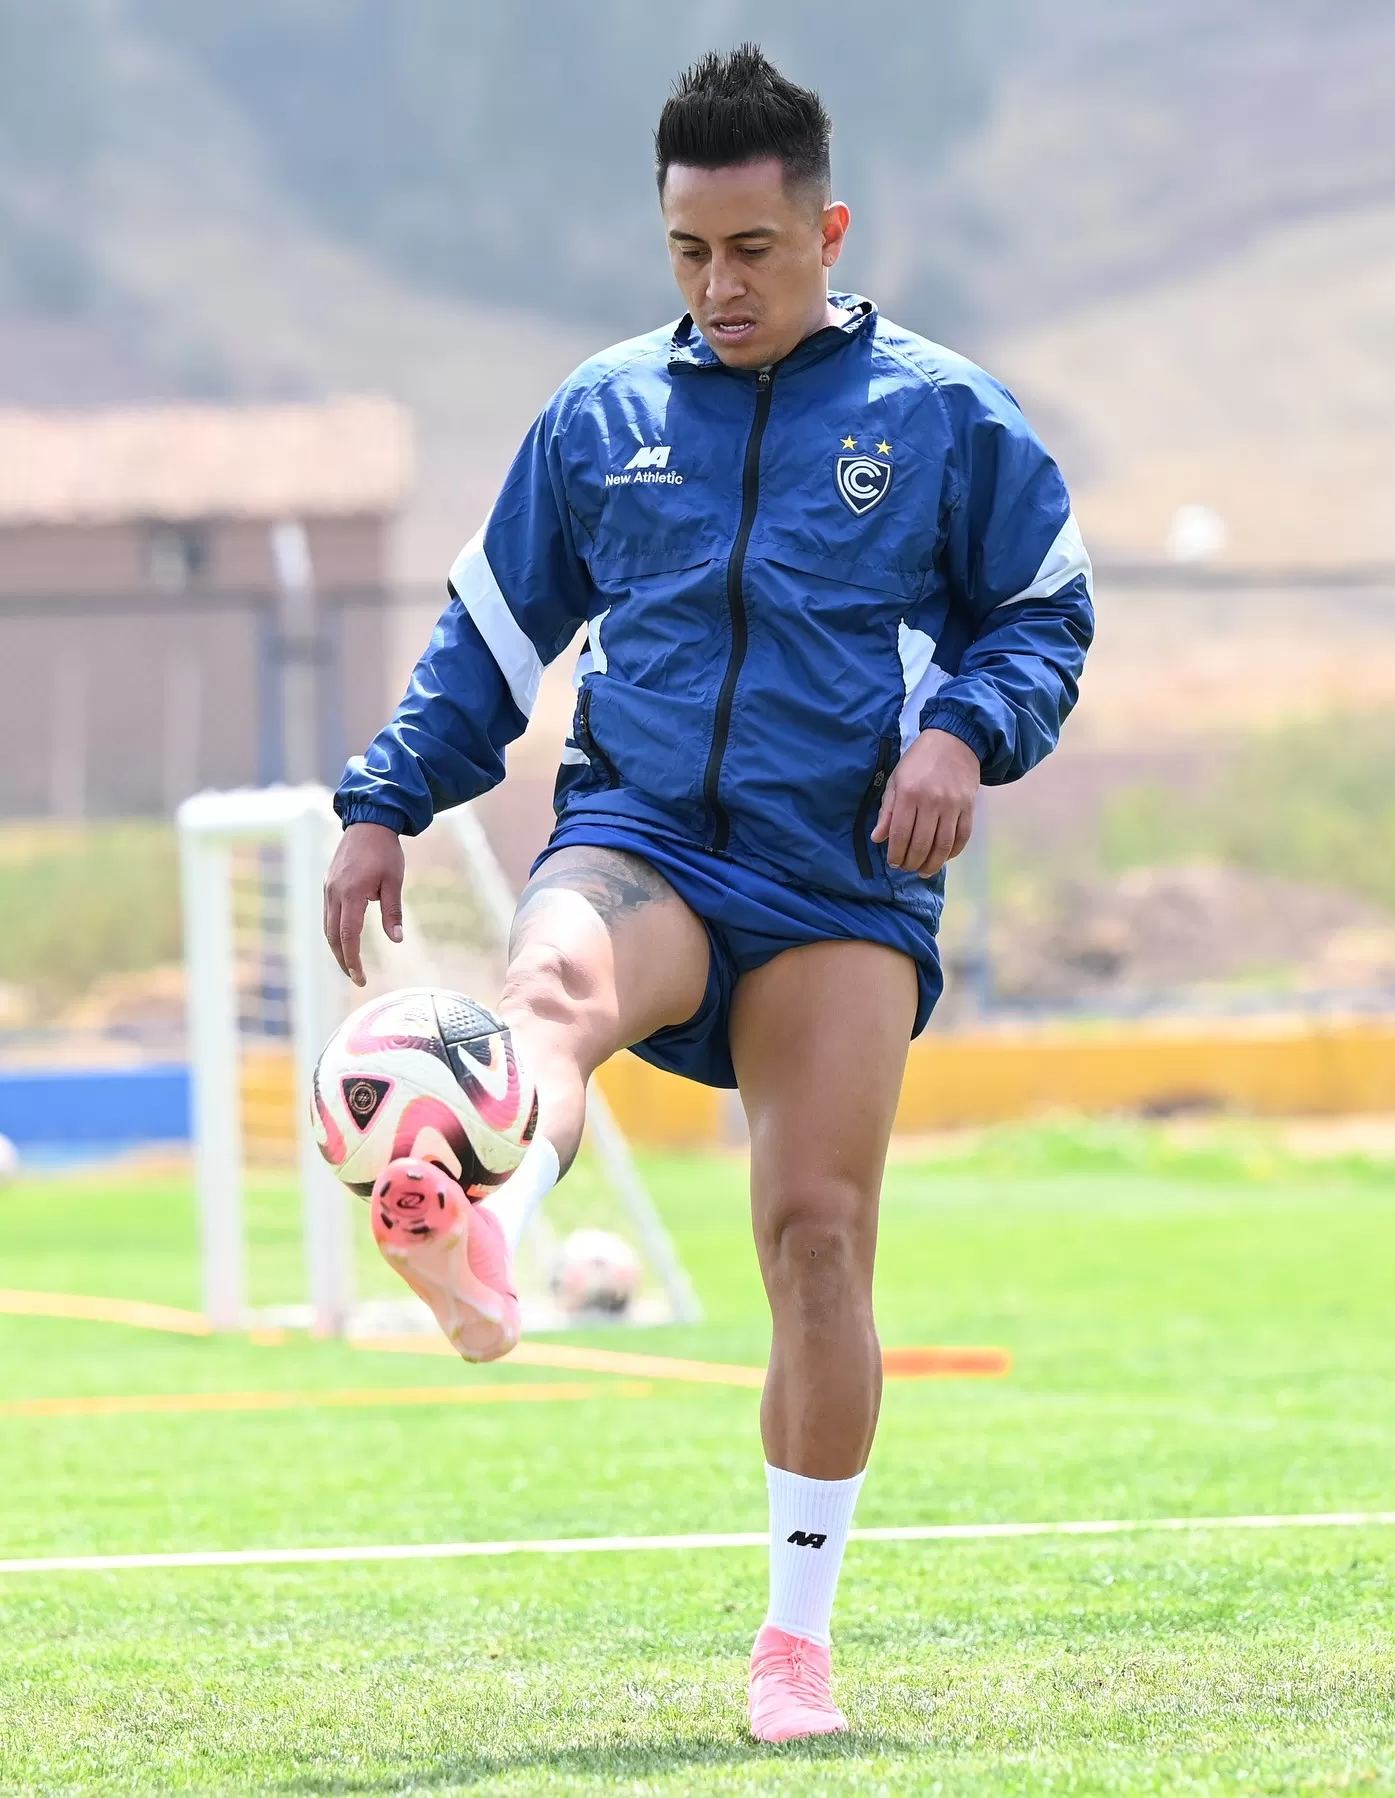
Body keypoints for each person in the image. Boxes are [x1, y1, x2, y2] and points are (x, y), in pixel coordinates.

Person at [323, 44, 1093, 1744]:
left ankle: (794, 1643)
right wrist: (384, 801)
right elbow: (492, 643)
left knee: (816, 1237)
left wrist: (966, 733)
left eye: (750, 249)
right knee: (543, 1006)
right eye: (687, 251)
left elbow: (1042, 609)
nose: (718, 285)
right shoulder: (602, 416)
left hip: (841, 878)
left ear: (825, 228)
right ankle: (481, 1241)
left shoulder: (945, 415)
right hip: (645, 830)